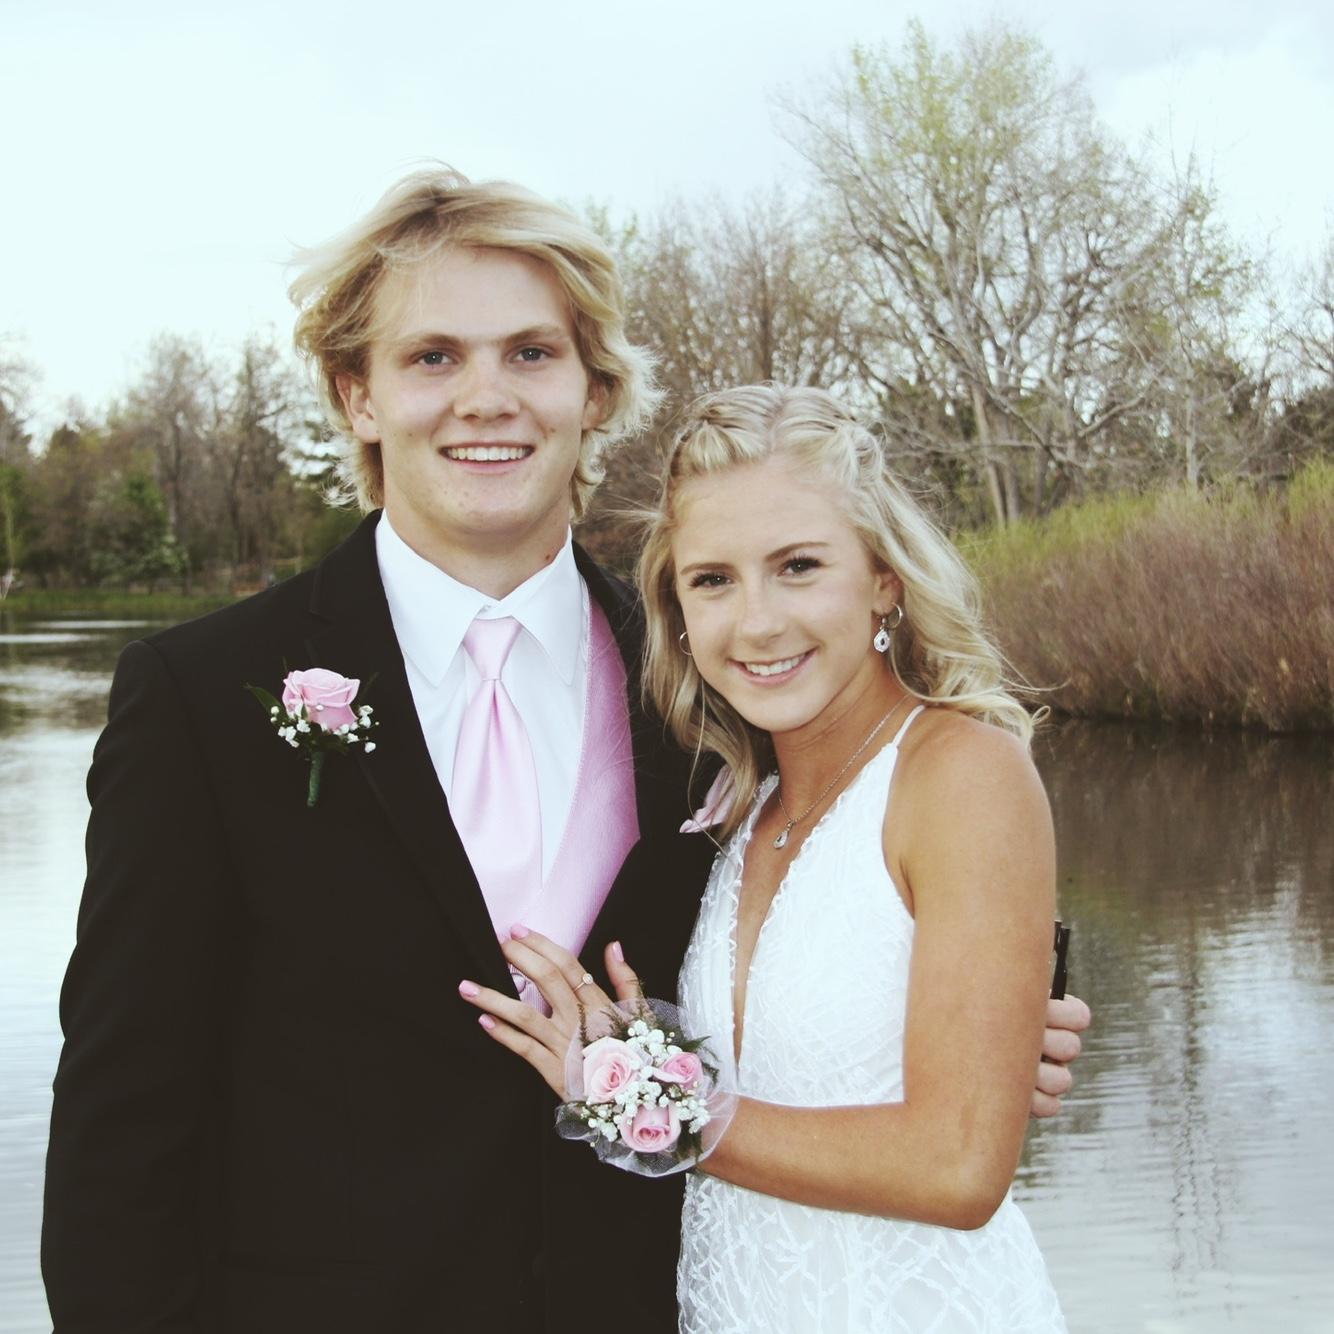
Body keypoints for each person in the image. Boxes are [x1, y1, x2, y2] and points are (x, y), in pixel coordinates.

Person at [42, 171, 1087, 1334]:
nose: (485, 397)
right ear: (358, 396)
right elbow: (122, 1123)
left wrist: (1006, 1022)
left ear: (593, 391)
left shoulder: (712, 690)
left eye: (530, 353)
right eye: (432, 356)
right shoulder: (198, 696)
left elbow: (865, 923)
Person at [460, 384, 1071, 1330]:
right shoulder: (734, 806)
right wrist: (619, 1058)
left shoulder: (961, 775)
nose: (757, 623)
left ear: (883, 579)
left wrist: (647, 1107)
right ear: (677, 606)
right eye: (713, 580)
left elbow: (958, 1167)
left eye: (798, 567)